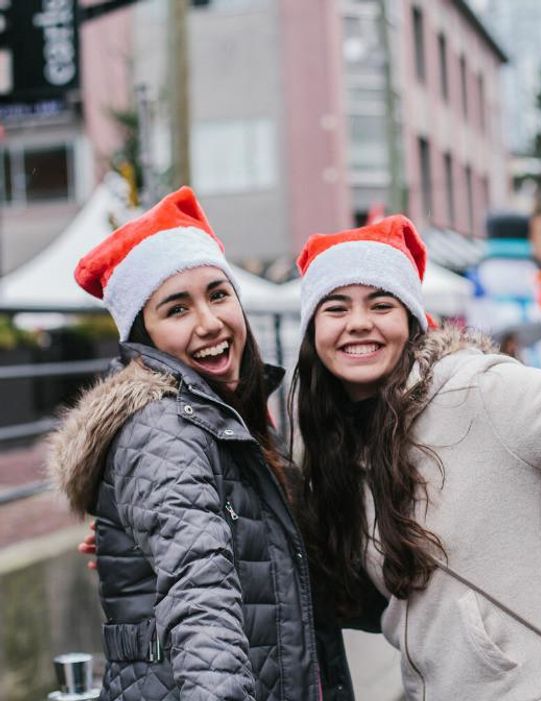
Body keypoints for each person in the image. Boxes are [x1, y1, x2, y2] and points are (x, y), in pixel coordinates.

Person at [291, 215, 541, 700]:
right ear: (314, 330)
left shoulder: (478, 390)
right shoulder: (336, 446)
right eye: (336, 308)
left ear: (410, 320)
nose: (358, 322)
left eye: (381, 304)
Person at [47, 188, 357, 700]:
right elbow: (201, 600)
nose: (209, 322)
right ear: (143, 337)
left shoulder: (229, 418)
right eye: (176, 309)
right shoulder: (165, 429)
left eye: (218, 295)